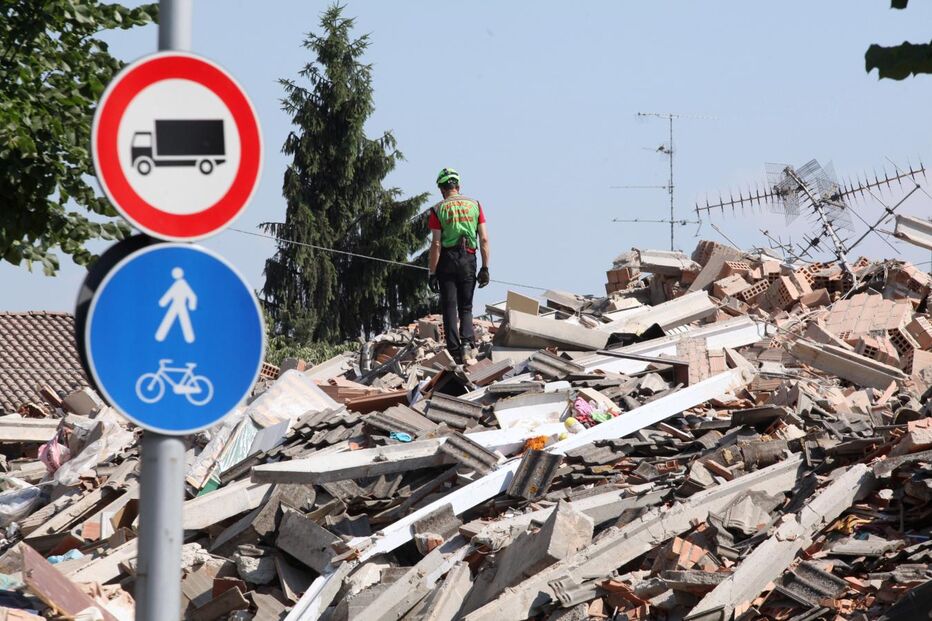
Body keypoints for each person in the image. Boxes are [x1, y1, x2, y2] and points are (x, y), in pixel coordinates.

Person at [428, 167, 490, 364]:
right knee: (466, 306)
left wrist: (432, 272)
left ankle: (454, 351)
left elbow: (436, 243)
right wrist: (485, 268)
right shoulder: (475, 205)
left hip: (447, 259)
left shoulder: (437, 209)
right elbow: (484, 239)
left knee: (449, 306)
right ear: (458, 186)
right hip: (468, 257)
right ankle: (467, 345)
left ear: (441, 189)